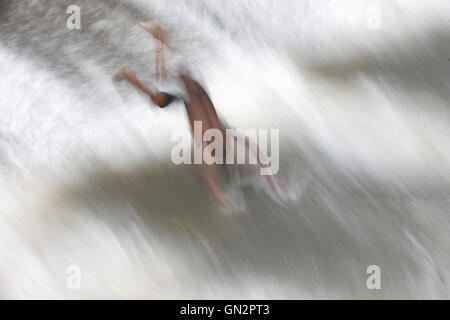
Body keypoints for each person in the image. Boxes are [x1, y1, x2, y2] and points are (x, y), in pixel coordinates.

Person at [113, 21, 281, 212]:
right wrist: (219, 197)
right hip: (188, 84)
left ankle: (159, 38)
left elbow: (254, 152)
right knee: (158, 101)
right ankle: (131, 71)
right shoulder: (214, 146)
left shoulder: (225, 135)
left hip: (194, 80)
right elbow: (202, 172)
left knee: (165, 92)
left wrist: (271, 178)